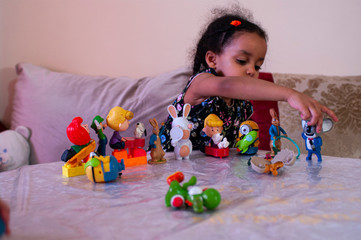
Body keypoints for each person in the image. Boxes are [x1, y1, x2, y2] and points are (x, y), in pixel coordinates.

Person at [161, 8, 338, 152]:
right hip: (170, 168)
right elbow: (228, 85)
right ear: (212, 59)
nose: (252, 70)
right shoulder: (201, 83)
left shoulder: (241, 104)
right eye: (242, 61)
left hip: (212, 174)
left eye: (258, 65)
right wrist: (289, 94)